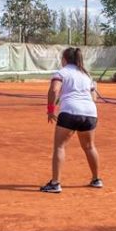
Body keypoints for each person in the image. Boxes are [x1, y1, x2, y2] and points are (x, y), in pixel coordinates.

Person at [41, 47, 102, 193]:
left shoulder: (62, 72)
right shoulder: (86, 76)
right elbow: (94, 98)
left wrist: (50, 110)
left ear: (65, 59)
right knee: (89, 147)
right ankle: (96, 179)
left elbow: (54, 90)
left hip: (70, 111)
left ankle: (55, 183)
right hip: (90, 113)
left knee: (60, 146)